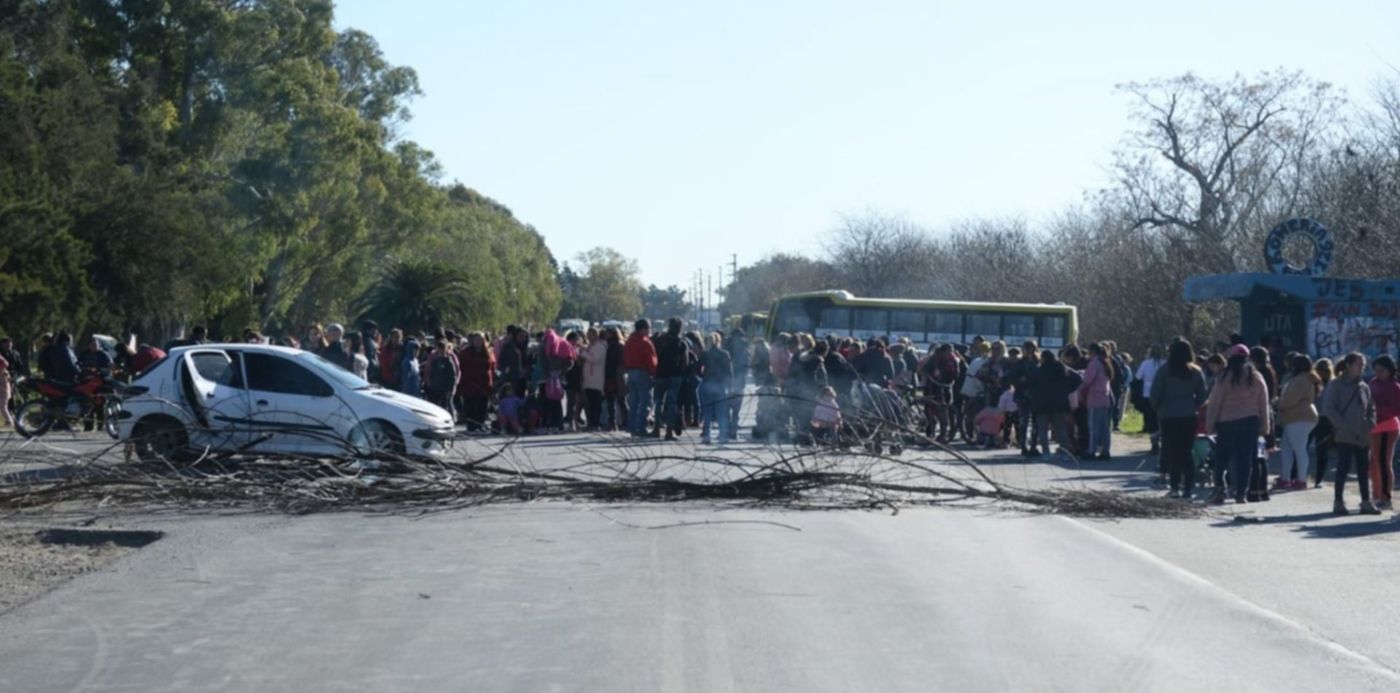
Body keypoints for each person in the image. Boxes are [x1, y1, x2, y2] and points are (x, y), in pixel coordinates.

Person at [1204, 345, 1271, 505]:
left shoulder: (1224, 376)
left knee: (1221, 458)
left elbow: (1215, 402)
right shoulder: (1255, 376)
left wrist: (1210, 424)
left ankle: (1219, 490)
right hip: (1250, 422)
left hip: (1226, 422)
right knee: (1245, 459)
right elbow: (1264, 402)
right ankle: (1241, 494)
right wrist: (1265, 425)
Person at [1322, 352, 1380, 515]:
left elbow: (1371, 408)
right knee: (1343, 468)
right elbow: (1329, 408)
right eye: (1358, 364)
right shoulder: (1337, 385)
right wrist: (1342, 425)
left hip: (1362, 434)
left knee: (1363, 470)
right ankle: (1338, 502)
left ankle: (1366, 502)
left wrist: (1370, 424)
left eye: (1363, 364)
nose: (1362, 367)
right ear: (1348, 365)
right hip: (1344, 434)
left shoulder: (1364, 386)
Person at [1151, 339, 1208, 499]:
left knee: (1172, 451)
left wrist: (1158, 408)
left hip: (1168, 415)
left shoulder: (1164, 371)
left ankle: (1174, 486)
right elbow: (1203, 395)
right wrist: (1193, 405)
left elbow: (1155, 394)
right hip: (1188, 415)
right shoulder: (1195, 372)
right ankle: (1188, 488)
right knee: (1186, 451)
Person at [1275, 354, 1321, 491]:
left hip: (1298, 417)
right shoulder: (1307, 378)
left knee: (1298, 449)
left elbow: (1290, 399)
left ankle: (1301, 480)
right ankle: (1286, 478)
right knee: (1288, 449)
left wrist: (1278, 403)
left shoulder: (1300, 379)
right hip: (1300, 417)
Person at [1028, 349, 1078, 458]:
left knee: (1043, 429)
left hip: (1042, 403)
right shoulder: (1061, 369)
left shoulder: (1038, 371)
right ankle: (1065, 451)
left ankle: (1046, 452)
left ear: (1043, 358)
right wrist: (1067, 390)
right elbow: (1078, 378)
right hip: (1058, 403)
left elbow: (1030, 384)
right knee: (1060, 428)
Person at [1367, 355, 1400, 510]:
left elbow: (1395, 409)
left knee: (1383, 463)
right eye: (1376, 370)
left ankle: (1386, 498)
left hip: (1387, 427)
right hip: (1373, 427)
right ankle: (1376, 495)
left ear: (1390, 370)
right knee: (1374, 464)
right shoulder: (1373, 383)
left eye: (1382, 370)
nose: (1378, 373)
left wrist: (1377, 412)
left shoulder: (1394, 386)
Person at [652, 318, 690, 440]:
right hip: (675, 375)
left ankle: (656, 428)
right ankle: (669, 430)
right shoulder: (681, 342)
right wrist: (682, 373)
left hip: (660, 373)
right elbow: (685, 361)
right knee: (672, 403)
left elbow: (654, 356)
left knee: (658, 401)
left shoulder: (660, 340)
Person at [1079, 342, 1115, 460]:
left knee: (1093, 426)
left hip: (1095, 399)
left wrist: (1079, 389)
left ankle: (1091, 450)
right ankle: (1106, 451)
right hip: (1105, 398)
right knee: (1105, 427)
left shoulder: (1094, 363)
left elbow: (1088, 380)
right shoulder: (1106, 362)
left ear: (1093, 351)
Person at [623, 319, 658, 437]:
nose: (649, 331)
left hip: (631, 372)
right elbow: (651, 360)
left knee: (633, 402)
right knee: (645, 401)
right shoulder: (645, 342)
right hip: (643, 373)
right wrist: (654, 373)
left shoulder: (629, 341)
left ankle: (632, 427)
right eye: (648, 328)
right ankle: (641, 427)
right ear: (643, 329)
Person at [698, 332, 733, 444]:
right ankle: (722, 435)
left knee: (707, 411)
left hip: (707, 383)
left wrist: (702, 375)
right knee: (721, 411)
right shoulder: (724, 354)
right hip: (720, 384)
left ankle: (707, 435)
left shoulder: (704, 354)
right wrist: (730, 386)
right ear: (719, 341)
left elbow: (697, 368)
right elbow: (729, 372)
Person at [457, 332, 496, 433]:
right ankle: (471, 426)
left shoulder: (488, 352)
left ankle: (480, 424)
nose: (478, 342)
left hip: (485, 383)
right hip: (470, 383)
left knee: (483, 405)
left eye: (481, 339)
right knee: (471, 405)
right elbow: (460, 367)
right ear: (472, 341)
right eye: (476, 340)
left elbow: (492, 367)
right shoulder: (465, 353)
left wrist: (493, 381)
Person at [1135, 345, 1165, 453]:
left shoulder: (1145, 363)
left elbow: (1138, 376)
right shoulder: (1164, 363)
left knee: (1151, 418)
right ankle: (1162, 439)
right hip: (1162, 393)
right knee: (1160, 418)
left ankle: (1154, 443)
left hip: (1148, 393)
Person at [1311, 358, 1335, 488]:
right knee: (1303, 448)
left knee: (1322, 450)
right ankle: (1298, 476)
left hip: (1325, 419)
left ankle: (1319, 479)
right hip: (1313, 416)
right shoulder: (1313, 382)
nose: (1322, 373)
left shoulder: (1333, 384)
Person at [580, 328, 608, 431]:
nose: (588, 337)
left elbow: (595, 359)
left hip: (596, 378)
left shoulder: (600, 346)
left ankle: (596, 423)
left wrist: (583, 353)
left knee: (596, 402)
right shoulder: (591, 346)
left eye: (590, 334)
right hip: (589, 379)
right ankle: (591, 422)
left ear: (595, 335)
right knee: (590, 402)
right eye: (587, 334)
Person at [604, 327, 627, 431]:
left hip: (615, 375)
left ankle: (622, 422)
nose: (605, 335)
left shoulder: (616, 346)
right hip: (613, 375)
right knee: (614, 400)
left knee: (619, 400)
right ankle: (615, 422)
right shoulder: (609, 345)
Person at [360, 321, 381, 385]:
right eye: (374, 329)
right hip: (370, 373)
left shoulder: (363, 340)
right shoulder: (368, 341)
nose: (376, 332)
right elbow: (371, 357)